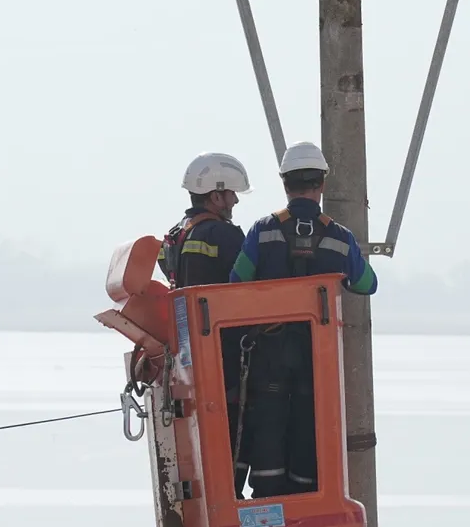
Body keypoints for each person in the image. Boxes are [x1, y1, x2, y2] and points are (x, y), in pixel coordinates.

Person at [228, 141, 378, 498]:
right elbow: (367, 284)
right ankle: (306, 497)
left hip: (267, 354)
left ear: (285, 183)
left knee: (268, 423)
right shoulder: (340, 238)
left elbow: (235, 283)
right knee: (310, 426)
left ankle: (267, 498)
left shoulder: (263, 230)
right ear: (321, 183)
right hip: (318, 359)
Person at [155, 151, 254, 499]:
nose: (236, 200)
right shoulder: (223, 235)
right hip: (225, 351)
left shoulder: (176, 236)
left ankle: (215, 492)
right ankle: (230, 494)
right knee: (237, 426)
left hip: (191, 353)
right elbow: (251, 284)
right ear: (215, 195)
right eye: (231, 194)